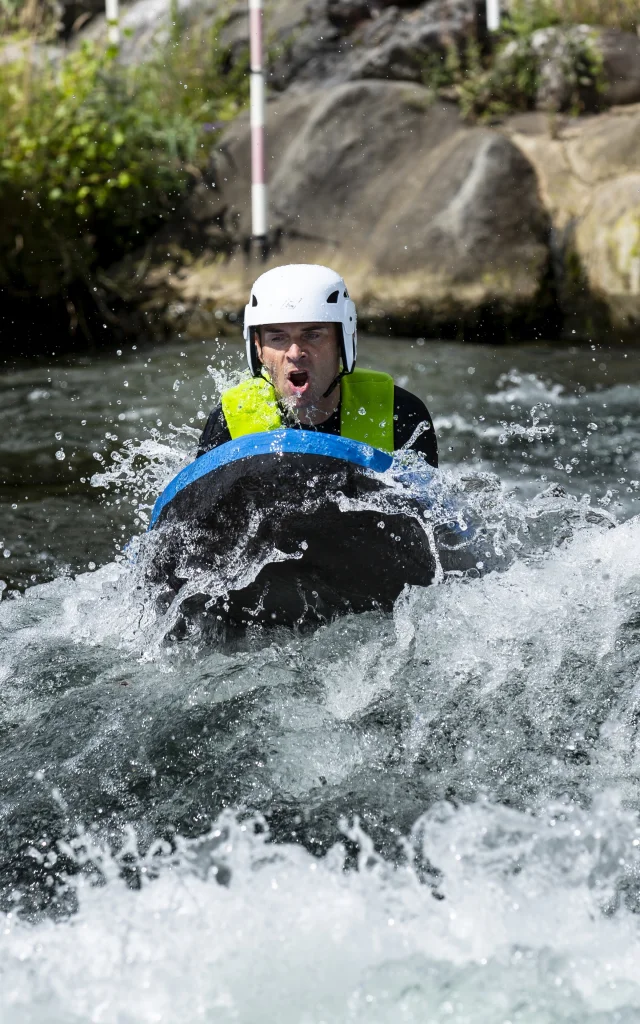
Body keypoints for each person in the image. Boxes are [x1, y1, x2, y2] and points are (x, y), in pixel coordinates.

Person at [197, 264, 438, 466]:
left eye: (312, 335)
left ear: (342, 344)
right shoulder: (229, 420)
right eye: (278, 338)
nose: (295, 353)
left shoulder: (400, 412)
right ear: (258, 348)